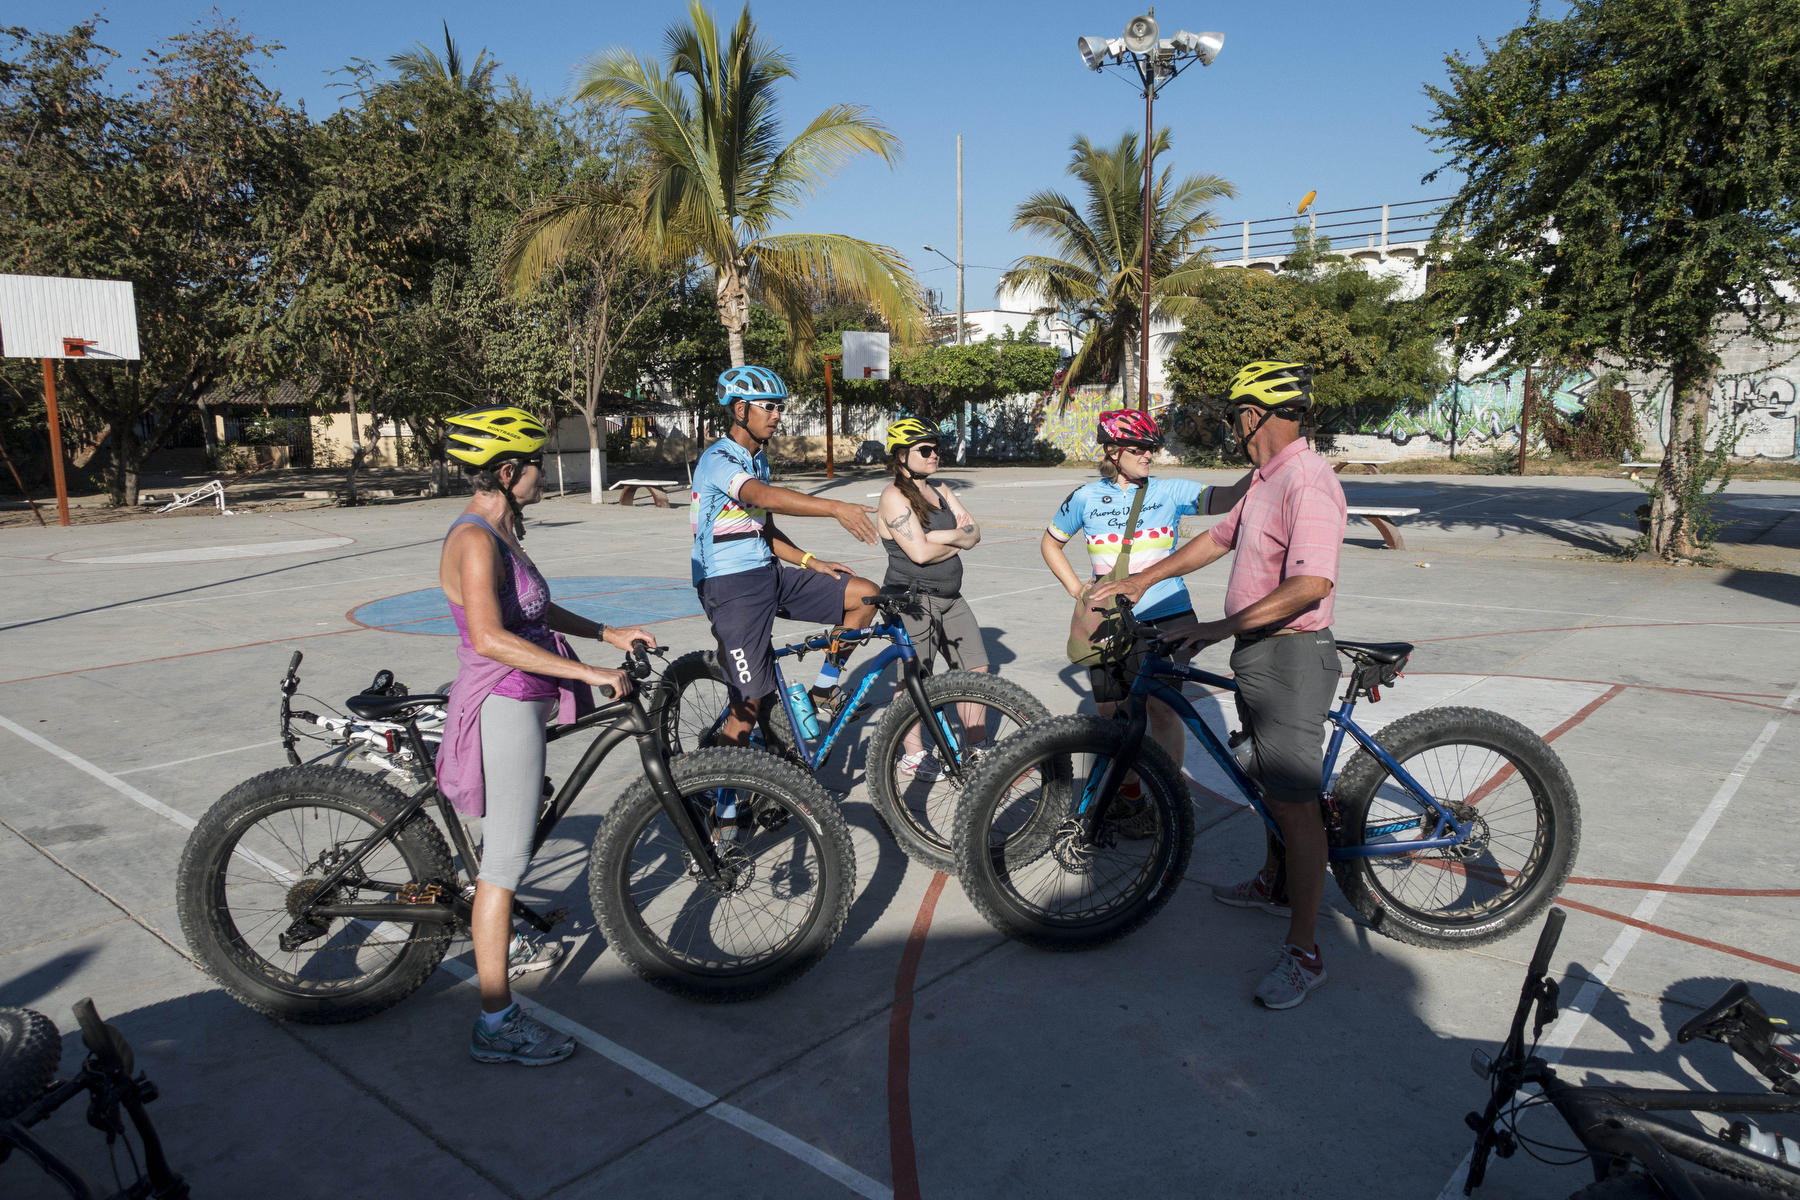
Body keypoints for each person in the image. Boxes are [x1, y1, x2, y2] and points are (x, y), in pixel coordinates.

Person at [1093, 362, 1347, 1011]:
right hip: (1260, 655)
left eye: (1238, 412)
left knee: (1294, 800)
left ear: (1256, 415)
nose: (1233, 424)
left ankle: (1306, 953)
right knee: (1261, 775)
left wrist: (1217, 626)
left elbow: (1311, 583)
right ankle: (1274, 882)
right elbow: (1215, 539)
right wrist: (1141, 581)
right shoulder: (1267, 479)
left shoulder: (1308, 480)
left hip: (1292, 658)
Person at [433, 405, 658, 1066]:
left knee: (513, 845)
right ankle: (495, 1022)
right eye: (536, 463)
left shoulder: (502, 531)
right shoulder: (474, 538)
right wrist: (591, 671)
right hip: (502, 700)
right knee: (503, 865)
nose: (543, 472)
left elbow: (533, 608)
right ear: (507, 472)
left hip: (526, 696)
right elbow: (490, 637)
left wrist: (606, 632)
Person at [691, 366, 882, 812]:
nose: (778, 415)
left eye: (781, 407)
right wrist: (835, 506)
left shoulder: (758, 459)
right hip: (730, 586)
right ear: (740, 410)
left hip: (769, 573)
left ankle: (823, 690)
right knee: (749, 703)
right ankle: (722, 811)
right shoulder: (719, 459)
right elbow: (760, 497)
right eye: (770, 407)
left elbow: (764, 527)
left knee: (865, 595)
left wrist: (811, 561)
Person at [1040, 408, 1247, 794]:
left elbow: (1233, 497)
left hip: (1166, 614)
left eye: (1153, 447)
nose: (1149, 455)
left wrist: (1269, 461)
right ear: (1113, 451)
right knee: (1110, 714)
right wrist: (1076, 589)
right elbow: (1051, 542)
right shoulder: (1086, 497)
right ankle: (1128, 795)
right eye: (1140, 448)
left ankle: (1169, 799)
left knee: (1162, 711)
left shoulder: (1170, 491)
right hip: (1107, 618)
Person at [877, 417, 988, 776]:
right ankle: (912, 755)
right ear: (901, 456)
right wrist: (956, 538)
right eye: (925, 450)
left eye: (936, 448)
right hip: (912, 598)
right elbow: (920, 556)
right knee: (917, 678)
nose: (933, 455)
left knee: (976, 668)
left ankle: (976, 749)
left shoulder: (940, 489)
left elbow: (974, 534)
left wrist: (939, 539)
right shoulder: (893, 497)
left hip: (951, 596)